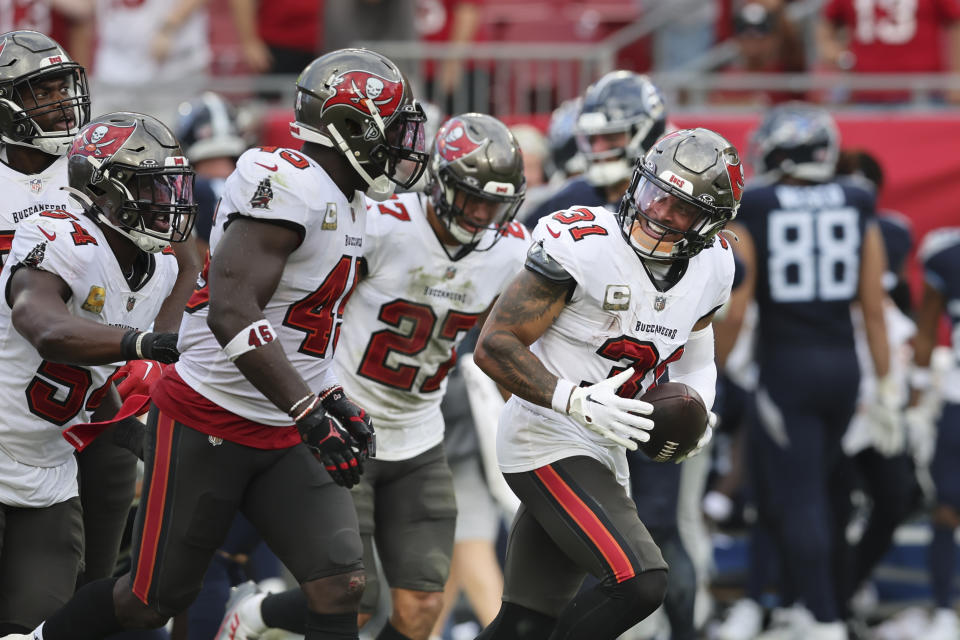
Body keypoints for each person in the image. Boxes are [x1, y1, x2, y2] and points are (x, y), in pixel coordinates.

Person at [6, 47, 428, 640]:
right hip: (210, 416)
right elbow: (231, 310)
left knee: (343, 585)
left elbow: (302, 326)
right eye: (392, 129)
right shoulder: (286, 185)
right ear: (351, 129)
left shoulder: (161, 268)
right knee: (150, 602)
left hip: (269, 418)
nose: (170, 204)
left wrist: (330, 394)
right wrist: (306, 409)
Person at [217, 113, 530, 640]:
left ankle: (262, 613)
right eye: (471, 198)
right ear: (439, 182)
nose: (481, 215)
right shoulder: (383, 223)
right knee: (351, 598)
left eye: (494, 204)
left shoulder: (512, 251)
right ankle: (258, 616)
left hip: (421, 437)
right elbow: (311, 303)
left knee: (421, 609)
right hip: (347, 421)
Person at [470, 127, 742, 640]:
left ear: (708, 225)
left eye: (680, 208)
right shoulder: (585, 244)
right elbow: (496, 344)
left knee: (526, 623)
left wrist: (700, 407)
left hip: (606, 447)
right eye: (654, 193)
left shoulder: (713, 265)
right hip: (545, 434)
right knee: (641, 581)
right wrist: (573, 399)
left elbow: (696, 362)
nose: (658, 211)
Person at [0, 110, 194, 633]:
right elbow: (40, 324)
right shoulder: (58, 233)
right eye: (155, 189)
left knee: (35, 626)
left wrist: (141, 437)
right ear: (108, 193)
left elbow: (94, 384)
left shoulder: (161, 268)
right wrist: (139, 343)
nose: (170, 202)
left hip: (47, 476)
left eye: (174, 186)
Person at [729, 103, 893, 640]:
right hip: (843, 365)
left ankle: (824, 619)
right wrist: (886, 383)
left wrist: (708, 368)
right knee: (817, 492)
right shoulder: (856, 197)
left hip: (787, 366)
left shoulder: (758, 203)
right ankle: (806, 605)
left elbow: (738, 301)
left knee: (798, 498)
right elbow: (872, 305)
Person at [524, 71, 666, 225]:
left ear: (648, 134)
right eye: (592, 138)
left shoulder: (663, 204)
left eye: (612, 137)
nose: (598, 149)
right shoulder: (572, 196)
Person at [908, 227, 960, 640]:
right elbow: (927, 329)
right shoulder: (947, 256)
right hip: (957, 399)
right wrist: (915, 392)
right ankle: (944, 608)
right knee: (946, 510)